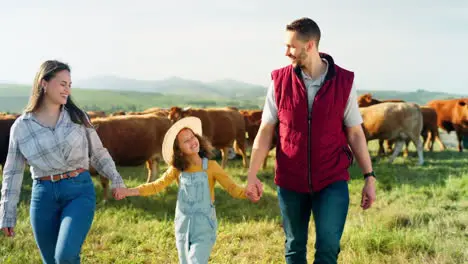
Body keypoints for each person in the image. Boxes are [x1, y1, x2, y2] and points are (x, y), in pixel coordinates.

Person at [245, 18, 377, 264]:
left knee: (328, 247)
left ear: (310, 45)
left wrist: (369, 176)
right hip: (290, 180)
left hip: (332, 179)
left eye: (291, 46)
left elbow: (355, 133)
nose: (286, 53)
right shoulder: (278, 81)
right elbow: (265, 131)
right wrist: (252, 175)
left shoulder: (344, 81)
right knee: (294, 248)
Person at [0, 60, 127, 264]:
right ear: (43, 83)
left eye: (69, 85)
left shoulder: (77, 117)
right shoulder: (21, 127)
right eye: (62, 83)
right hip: (43, 196)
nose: (67, 90)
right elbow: (12, 173)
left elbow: (99, 153)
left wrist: (116, 178)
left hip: (78, 191)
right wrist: (7, 213)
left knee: (65, 257)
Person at [115, 116, 256, 264]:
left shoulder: (212, 166)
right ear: (179, 150)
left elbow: (232, 187)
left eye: (192, 136)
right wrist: (128, 191)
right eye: (186, 141)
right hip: (182, 226)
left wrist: (246, 192)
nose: (192, 141)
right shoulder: (177, 169)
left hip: (204, 226)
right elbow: (157, 185)